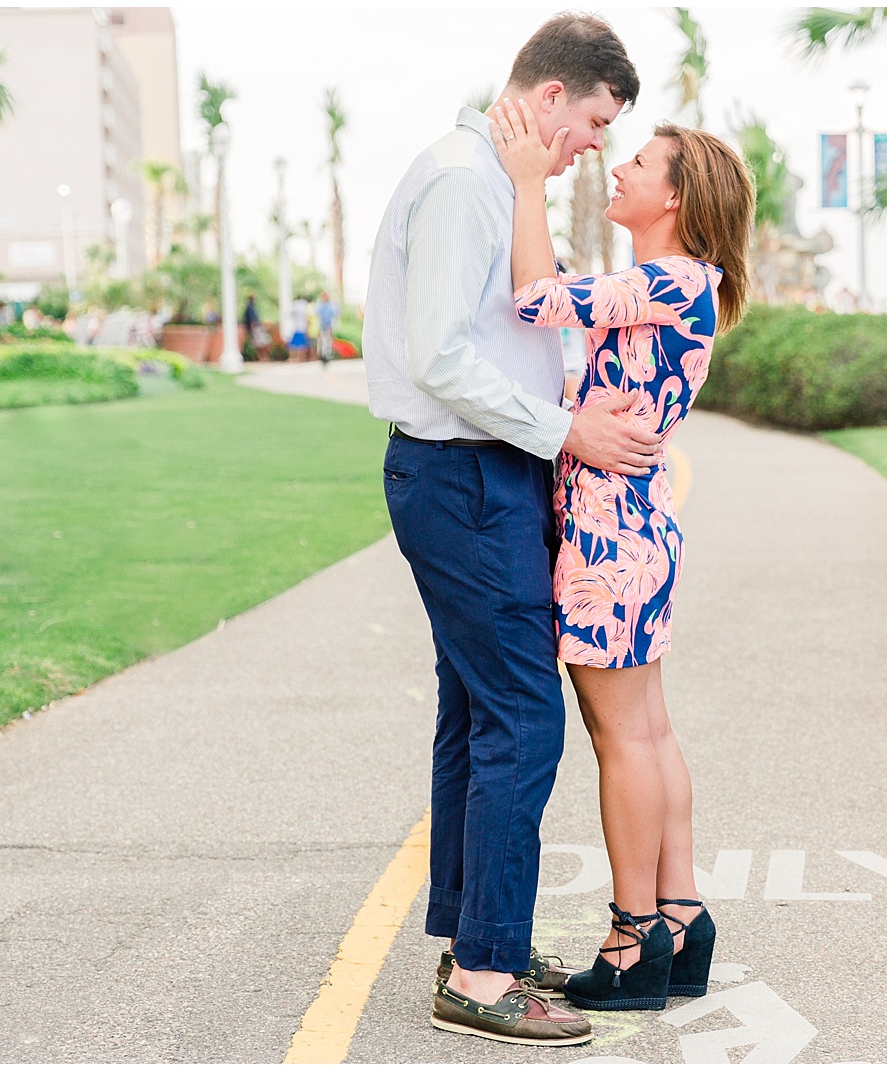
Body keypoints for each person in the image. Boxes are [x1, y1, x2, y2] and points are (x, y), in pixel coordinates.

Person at [363, 13, 655, 1049]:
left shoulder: (495, 183)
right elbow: (441, 359)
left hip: (487, 476)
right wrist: (566, 427)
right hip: (462, 476)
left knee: (475, 714)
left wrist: (569, 410)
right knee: (525, 719)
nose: (595, 145)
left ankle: (473, 939)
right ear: (546, 99)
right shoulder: (461, 182)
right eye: (592, 120)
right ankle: (483, 978)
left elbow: (512, 334)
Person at [489, 99, 752, 1013]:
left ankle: (633, 937)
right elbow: (589, 366)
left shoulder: (672, 278)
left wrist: (526, 181)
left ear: (674, 198)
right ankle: (678, 916)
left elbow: (534, 297)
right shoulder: (676, 282)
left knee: (621, 737)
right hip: (634, 525)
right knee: (648, 730)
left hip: (611, 535)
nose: (623, 169)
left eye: (642, 162)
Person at [315, 291, 338, 364]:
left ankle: (327, 356)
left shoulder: (331, 305)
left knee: (328, 341)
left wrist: (331, 327)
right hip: (321, 326)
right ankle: (322, 355)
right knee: (322, 341)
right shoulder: (320, 305)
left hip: (328, 326)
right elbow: (318, 316)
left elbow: (334, 315)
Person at [288, 296, 310, 360]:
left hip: (297, 327)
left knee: (294, 344)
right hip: (301, 327)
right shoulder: (305, 306)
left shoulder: (295, 305)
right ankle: (301, 358)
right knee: (302, 345)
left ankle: (293, 357)